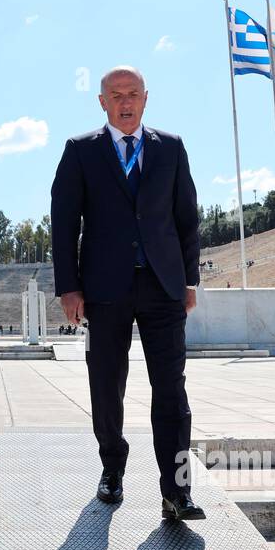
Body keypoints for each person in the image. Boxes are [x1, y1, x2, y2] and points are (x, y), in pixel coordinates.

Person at [50, 66, 204, 521]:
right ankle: (112, 468)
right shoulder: (80, 151)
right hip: (102, 292)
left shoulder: (171, 148)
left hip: (163, 288)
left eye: (133, 93)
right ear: (102, 102)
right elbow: (64, 223)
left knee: (171, 390)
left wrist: (188, 279)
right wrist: (69, 288)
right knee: (105, 383)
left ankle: (176, 491)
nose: (125, 101)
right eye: (116, 94)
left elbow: (186, 219)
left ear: (145, 98)